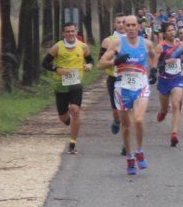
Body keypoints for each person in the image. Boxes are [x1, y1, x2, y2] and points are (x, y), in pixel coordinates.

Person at [98, 15, 159, 175]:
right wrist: (115, 61)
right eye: (127, 25)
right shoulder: (117, 43)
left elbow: (153, 55)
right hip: (122, 86)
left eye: (133, 25)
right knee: (126, 126)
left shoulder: (146, 43)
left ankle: (139, 151)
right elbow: (100, 64)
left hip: (141, 85)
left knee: (138, 120)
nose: (131, 28)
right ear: (124, 27)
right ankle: (130, 157)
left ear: (138, 26)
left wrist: (153, 70)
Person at [42, 22, 93, 154]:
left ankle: (73, 142)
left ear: (76, 32)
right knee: (63, 117)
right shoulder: (57, 47)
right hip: (61, 85)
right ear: (63, 34)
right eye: (68, 32)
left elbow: (90, 60)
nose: (70, 34)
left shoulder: (83, 47)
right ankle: (67, 120)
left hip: (76, 84)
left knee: (75, 109)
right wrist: (57, 69)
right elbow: (45, 63)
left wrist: (89, 66)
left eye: (72, 31)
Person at [153, 23, 183, 146]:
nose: (172, 32)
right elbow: (155, 65)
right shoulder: (160, 47)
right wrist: (165, 61)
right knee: (165, 109)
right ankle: (162, 112)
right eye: (169, 30)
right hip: (164, 80)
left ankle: (174, 133)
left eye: (173, 30)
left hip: (177, 78)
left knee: (176, 104)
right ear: (165, 33)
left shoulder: (180, 45)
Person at [99, 13, 128, 142]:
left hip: (130, 78)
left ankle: (125, 142)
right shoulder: (107, 41)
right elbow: (100, 63)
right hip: (114, 78)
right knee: (117, 113)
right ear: (114, 24)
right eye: (118, 22)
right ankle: (116, 120)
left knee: (128, 112)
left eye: (124, 22)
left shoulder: (134, 40)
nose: (121, 25)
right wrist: (115, 61)